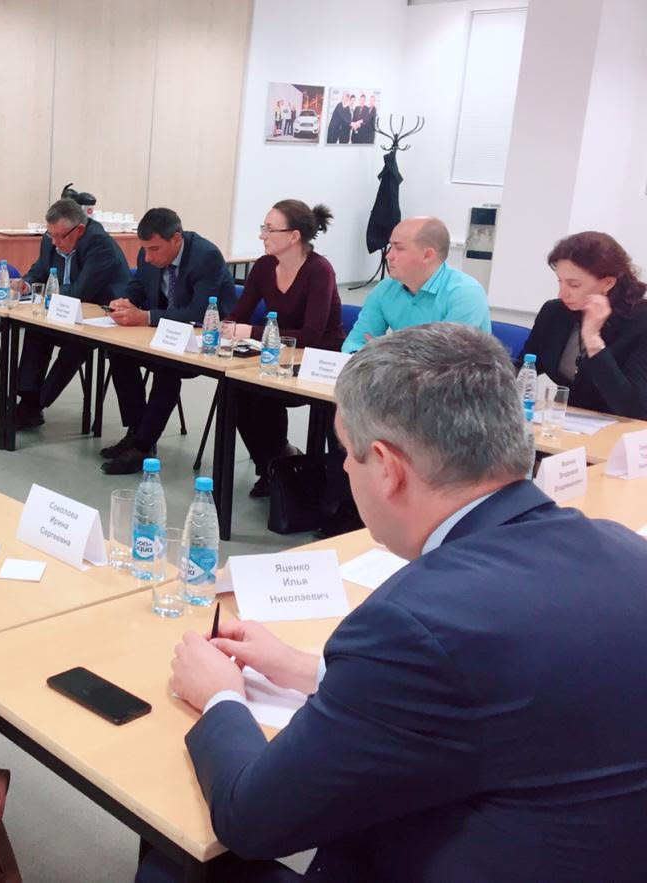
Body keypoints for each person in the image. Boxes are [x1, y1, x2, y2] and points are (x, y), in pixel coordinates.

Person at [141, 323, 647, 882]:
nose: (344, 469)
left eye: (346, 454)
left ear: (386, 467)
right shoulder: (626, 551)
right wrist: (309, 670)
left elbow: (251, 819)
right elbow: (498, 691)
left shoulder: (416, 622)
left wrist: (220, 697)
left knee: (173, 854)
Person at [99, 208, 235, 474]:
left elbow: (198, 312)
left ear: (176, 238)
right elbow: (139, 286)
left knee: (166, 366)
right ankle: (136, 431)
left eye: (154, 249)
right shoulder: (148, 253)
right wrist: (124, 302)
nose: (148, 257)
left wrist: (146, 316)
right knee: (118, 352)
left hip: (205, 341)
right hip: (164, 332)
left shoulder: (206, 256)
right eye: (145, 249)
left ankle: (142, 447)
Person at [227, 200, 346, 495]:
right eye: (263, 228)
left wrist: (251, 331)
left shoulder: (320, 270)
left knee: (263, 392)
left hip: (317, 363)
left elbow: (311, 336)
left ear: (294, 236)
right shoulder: (264, 266)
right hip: (277, 356)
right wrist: (223, 326)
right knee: (237, 390)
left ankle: (286, 468)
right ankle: (272, 466)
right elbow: (239, 313)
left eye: (269, 229)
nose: (262, 235)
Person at [0, 198, 129, 429]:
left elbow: (80, 292)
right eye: (51, 235)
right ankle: (27, 401)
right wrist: (26, 283)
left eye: (60, 236)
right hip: (63, 312)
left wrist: (42, 293)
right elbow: (39, 270)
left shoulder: (99, 244)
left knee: (76, 344)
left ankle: (37, 403)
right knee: (36, 332)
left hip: (99, 317)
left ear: (79, 229)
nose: (55, 242)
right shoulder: (51, 239)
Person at [520, 231, 647, 419]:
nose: (562, 294)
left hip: (619, 429)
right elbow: (526, 366)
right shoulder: (554, 312)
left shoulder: (640, 321)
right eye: (560, 282)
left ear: (608, 283)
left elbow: (634, 408)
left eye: (574, 285)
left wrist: (593, 339)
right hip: (565, 423)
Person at [342, 216, 490, 353]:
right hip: (402, 369)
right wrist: (358, 356)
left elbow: (444, 358)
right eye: (390, 246)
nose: (388, 256)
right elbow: (356, 342)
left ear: (427, 255)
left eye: (399, 248)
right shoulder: (385, 289)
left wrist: (384, 355)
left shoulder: (465, 293)